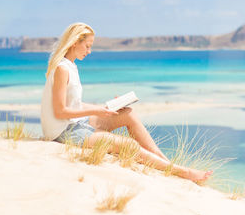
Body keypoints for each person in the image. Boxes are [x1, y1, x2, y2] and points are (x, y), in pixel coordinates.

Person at [41, 22, 212, 182]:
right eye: (87, 46)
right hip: (65, 132)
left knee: (127, 114)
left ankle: (167, 164)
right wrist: (98, 112)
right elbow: (60, 111)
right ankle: (184, 173)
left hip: (76, 123)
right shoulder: (62, 69)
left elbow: (74, 103)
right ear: (74, 43)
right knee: (126, 144)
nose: (89, 51)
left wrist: (104, 108)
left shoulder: (71, 66)